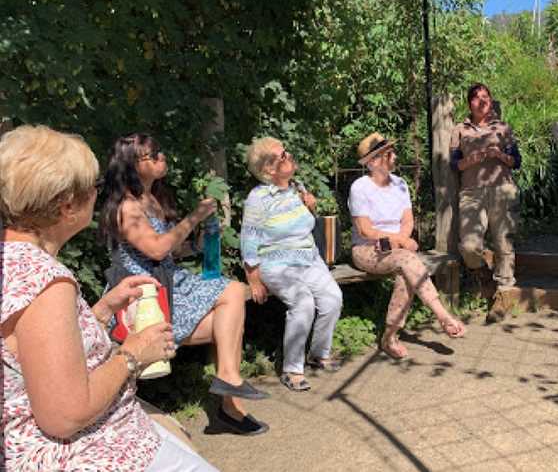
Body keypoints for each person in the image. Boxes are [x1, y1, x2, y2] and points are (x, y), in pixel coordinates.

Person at [0, 125, 217, 471]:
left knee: (175, 435)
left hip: (47, 444)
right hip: (87, 454)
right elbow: (65, 415)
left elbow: (31, 352)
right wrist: (133, 353)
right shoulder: (47, 282)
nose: (98, 194)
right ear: (67, 205)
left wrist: (100, 311)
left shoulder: (14, 261)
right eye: (94, 187)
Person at [99, 133, 269, 436]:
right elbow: (156, 249)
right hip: (143, 294)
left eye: (160, 152)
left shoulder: (151, 199)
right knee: (231, 299)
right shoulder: (126, 207)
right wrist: (195, 216)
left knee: (229, 314)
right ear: (131, 164)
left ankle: (229, 398)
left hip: (170, 283)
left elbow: (170, 250)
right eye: (153, 155)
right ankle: (229, 403)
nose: (161, 158)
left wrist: (196, 245)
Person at [350, 132, 466, 360]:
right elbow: (365, 230)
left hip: (397, 251)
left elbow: (408, 220)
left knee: (405, 271)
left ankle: (389, 337)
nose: (394, 156)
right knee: (407, 259)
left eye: (392, 151)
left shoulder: (400, 184)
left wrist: (401, 239)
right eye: (388, 153)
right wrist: (401, 241)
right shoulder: (360, 188)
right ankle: (443, 315)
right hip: (367, 249)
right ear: (373, 162)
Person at [241, 137, 343, 392]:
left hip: (308, 259)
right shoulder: (258, 198)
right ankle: (292, 369)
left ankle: (319, 354)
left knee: (333, 298)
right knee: (304, 302)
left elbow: (307, 224)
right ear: (268, 170)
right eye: (282, 156)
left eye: (286, 153)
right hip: (277, 264)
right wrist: (253, 278)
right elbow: (249, 239)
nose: (289, 157)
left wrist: (311, 207)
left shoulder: (297, 187)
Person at [449, 83, 521, 323]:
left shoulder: (502, 127)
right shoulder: (460, 129)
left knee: (503, 244)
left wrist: (499, 155)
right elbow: (454, 164)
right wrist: (474, 158)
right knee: (469, 246)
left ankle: (503, 296)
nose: (482, 101)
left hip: (502, 189)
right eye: (477, 98)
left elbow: (515, 162)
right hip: (471, 192)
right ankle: (486, 279)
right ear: (469, 103)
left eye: (486, 97)